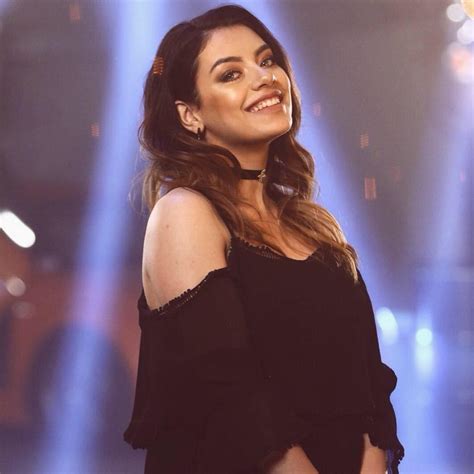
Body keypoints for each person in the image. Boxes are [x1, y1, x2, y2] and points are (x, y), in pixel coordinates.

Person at [123, 4, 405, 473]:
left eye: (267, 60)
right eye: (231, 74)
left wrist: (373, 462)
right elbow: (233, 401)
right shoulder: (185, 212)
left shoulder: (312, 224)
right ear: (190, 114)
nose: (265, 78)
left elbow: (368, 387)